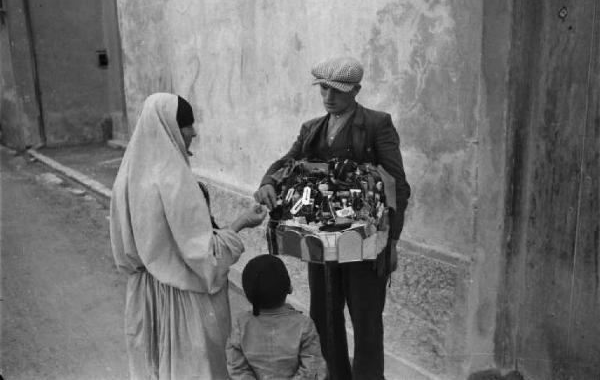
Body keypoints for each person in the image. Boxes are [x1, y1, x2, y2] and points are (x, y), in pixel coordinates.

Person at [253, 57, 411, 379]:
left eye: (337, 90)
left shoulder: (377, 124)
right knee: (324, 316)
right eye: (324, 88)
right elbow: (288, 161)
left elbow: (397, 184)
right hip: (321, 242)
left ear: (356, 90)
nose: (328, 97)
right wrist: (269, 181)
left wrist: (392, 241)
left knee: (366, 320)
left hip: (365, 243)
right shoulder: (312, 129)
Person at [110, 92, 267, 380]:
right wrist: (242, 222)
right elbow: (205, 256)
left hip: (145, 300)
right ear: (169, 127)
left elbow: (126, 248)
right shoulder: (174, 180)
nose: (193, 131)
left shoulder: (127, 176)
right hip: (184, 303)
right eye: (187, 124)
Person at [226, 254, 327, 379]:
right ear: (289, 288)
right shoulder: (304, 325)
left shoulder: (241, 325)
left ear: (248, 295)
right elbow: (313, 369)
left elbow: (236, 368)